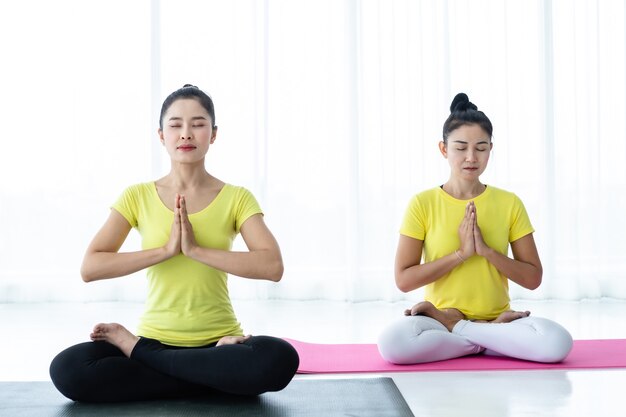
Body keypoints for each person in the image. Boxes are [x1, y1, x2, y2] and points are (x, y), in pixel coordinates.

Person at [49, 84, 299, 402]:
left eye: (197, 124)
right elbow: (91, 267)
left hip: (219, 343)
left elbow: (272, 266)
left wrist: (196, 251)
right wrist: (165, 251)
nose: (186, 134)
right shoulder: (136, 195)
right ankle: (207, 378)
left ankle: (143, 355)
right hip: (163, 339)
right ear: (161, 135)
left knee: (279, 358)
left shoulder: (236, 197)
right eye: (175, 125)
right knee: (68, 368)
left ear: (214, 134)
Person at [377, 93, 573, 364]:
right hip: (442, 319)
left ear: (491, 149)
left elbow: (532, 278)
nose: (471, 157)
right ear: (444, 149)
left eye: (481, 148)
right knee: (393, 344)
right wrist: (461, 254)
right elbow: (404, 280)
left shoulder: (509, 203)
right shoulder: (422, 203)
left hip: (498, 319)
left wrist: (487, 251)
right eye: (460, 147)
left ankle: (463, 330)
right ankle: (487, 338)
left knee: (557, 343)